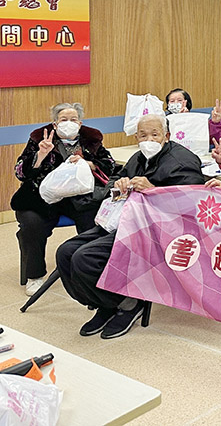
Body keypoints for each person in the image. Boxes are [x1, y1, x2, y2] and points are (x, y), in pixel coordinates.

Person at [56, 115, 204, 339]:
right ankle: (105, 303)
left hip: (157, 229)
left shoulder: (182, 160)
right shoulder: (138, 157)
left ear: (167, 135)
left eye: (155, 134)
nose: (148, 140)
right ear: (136, 137)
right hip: (125, 220)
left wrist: (153, 189)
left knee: (85, 259)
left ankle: (129, 303)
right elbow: (112, 182)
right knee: (65, 253)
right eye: (143, 135)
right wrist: (119, 185)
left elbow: (190, 205)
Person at [12, 103, 116, 295]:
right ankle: (34, 276)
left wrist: (89, 164)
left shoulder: (91, 140)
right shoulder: (40, 139)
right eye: (63, 119)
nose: (69, 123)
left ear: (80, 123)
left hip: (80, 199)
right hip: (41, 199)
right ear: (55, 124)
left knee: (96, 224)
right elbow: (20, 172)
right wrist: (40, 155)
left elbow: (110, 165)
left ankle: (90, 272)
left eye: (73, 119)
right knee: (32, 226)